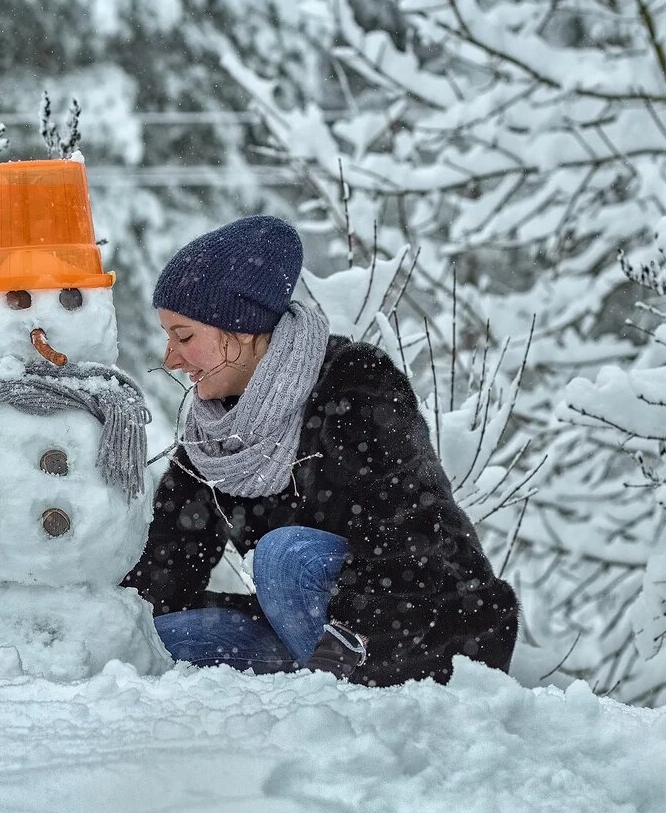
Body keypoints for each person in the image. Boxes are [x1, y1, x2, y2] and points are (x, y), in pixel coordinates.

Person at [122, 215, 519, 686]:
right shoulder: (218, 432)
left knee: (285, 557)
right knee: (158, 638)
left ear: (243, 328)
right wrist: (111, 614)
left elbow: (408, 541)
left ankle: (345, 695)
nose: (170, 358)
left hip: (421, 629)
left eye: (184, 336)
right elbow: (170, 553)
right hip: (313, 633)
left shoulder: (355, 383)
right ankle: (312, 690)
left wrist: (342, 651)